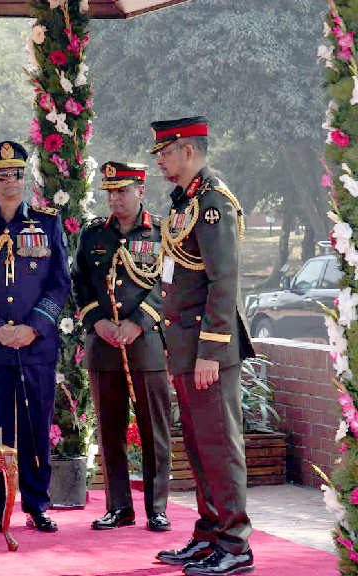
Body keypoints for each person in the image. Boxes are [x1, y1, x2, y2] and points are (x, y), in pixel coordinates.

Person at [150, 117, 256, 576]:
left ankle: (236, 544)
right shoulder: (184, 204)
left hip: (208, 352)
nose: (159, 160)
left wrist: (210, 352)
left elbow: (223, 281)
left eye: (165, 152)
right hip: (186, 348)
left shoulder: (213, 204)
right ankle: (210, 533)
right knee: (198, 445)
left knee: (219, 446)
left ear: (188, 150)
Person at [0, 141, 71, 533]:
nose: (11, 183)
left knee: (37, 424)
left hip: (36, 346)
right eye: (2, 176)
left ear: (26, 177)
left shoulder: (48, 221)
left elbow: (59, 284)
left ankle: (37, 504)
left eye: (17, 175)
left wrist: (33, 327)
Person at [70, 161, 173, 533]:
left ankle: (157, 508)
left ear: (140, 191)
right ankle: (119, 508)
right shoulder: (94, 234)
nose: (115, 198)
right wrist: (96, 320)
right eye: (110, 191)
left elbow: (169, 285)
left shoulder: (163, 233)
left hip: (145, 344)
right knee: (110, 432)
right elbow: (79, 282)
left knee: (153, 431)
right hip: (104, 344)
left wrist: (138, 322)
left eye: (123, 190)